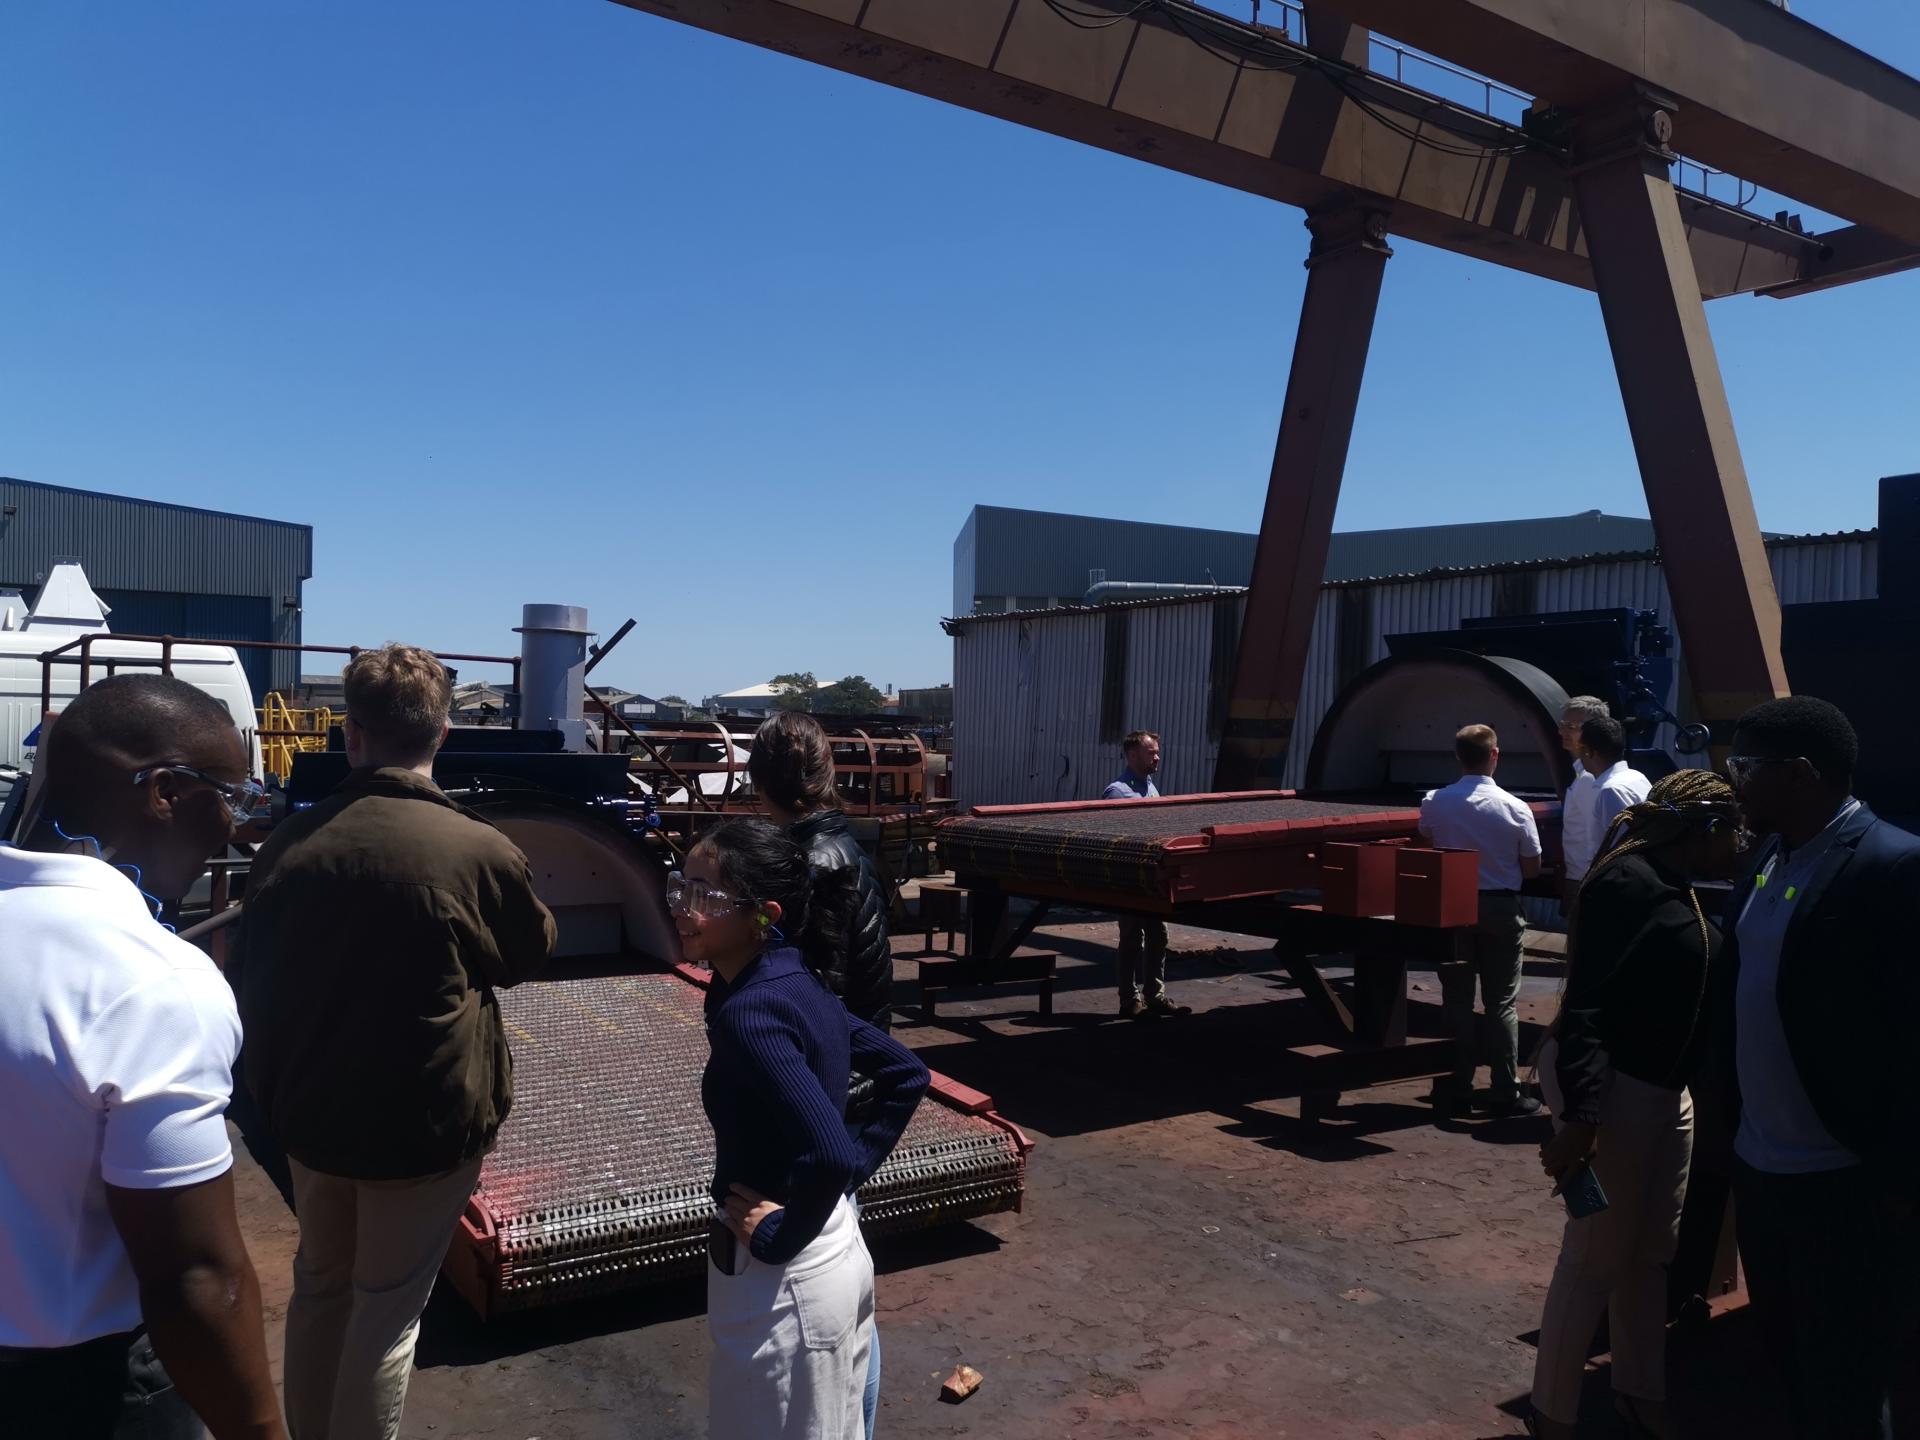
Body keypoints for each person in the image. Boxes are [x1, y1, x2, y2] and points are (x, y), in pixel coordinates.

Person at [235, 645, 556, 1440]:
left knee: (321, 1286)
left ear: (353, 733)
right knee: (387, 1311)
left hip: (312, 1113)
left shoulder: (288, 847)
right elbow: (526, 954)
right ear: (442, 734)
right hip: (425, 1122)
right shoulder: (475, 850)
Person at [0, 674, 286, 1439]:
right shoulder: (153, 984)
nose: (233, 826)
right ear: (163, 791)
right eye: (231, 796)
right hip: (76, 1392)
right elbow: (194, 1276)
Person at [1713, 696, 1920, 1440]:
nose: (1732, 781)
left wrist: (1898, 1178)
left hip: (1844, 1177)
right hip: (1762, 1169)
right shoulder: (1768, 856)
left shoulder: (1892, 865)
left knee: (1850, 1381)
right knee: (1790, 1365)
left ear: (1800, 773)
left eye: (1745, 767)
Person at [685, 818, 929, 1439]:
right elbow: (906, 1074)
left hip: (786, 1282)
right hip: (836, 1247)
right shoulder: (797, 984)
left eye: (706, 896)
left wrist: (780, 1234)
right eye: (678, 888)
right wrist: (836, 1198)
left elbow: (828, 1152)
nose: (684, 909)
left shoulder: (752, 1013)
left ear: (763, 915)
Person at [1528, 770, 1746, 1440]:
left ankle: (1638, 1394)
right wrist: (1582, 1123)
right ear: (1703, 828)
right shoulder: (1630, 885)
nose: (1743, 841)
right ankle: (1553, 1416)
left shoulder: (1676, 885)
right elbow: (1588, 1009)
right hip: (1608, 1096)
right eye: (1735, 828)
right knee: (1593, 1255)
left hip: (1664, 1095)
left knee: (1651, 1252)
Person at [748, 710, 894, 1436]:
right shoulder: (851, 851)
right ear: (827, 775)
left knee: (820, 1288)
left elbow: (810, 1001)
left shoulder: (798, 869)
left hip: (820, 1099)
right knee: (849, 1274)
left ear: (755, 779)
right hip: (857, 1084)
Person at [1419, 724, 1543, 1117]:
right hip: (1500, 907)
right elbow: (1533, 866)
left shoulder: (1435, 800)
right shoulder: (1515, 807)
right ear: (1495, 755)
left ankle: (1454, 1083)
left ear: (1457, 756)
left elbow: (1427, 842)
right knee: (1501, 1003)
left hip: (1452, 908)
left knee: (1456, 999)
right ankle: (1505, 1090)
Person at [1102, 730, 1188, 1020]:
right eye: (1151, 752)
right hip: (1130, 881)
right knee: (1131, 938)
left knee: (1157, 935)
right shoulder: (1117, 792)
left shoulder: (1150, 789)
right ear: (1133, 754)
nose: (1157, 757)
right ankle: (1129, 1000)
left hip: (1152, 879)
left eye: (1157, 752)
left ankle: (1155, 995)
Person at [1556, 697, 1613, 911]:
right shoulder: (1585, 775)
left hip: (1584, 880)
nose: (1562, 732)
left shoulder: (1590, 779)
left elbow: (1595, 839)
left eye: (1571, 727)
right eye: (1563, 725)